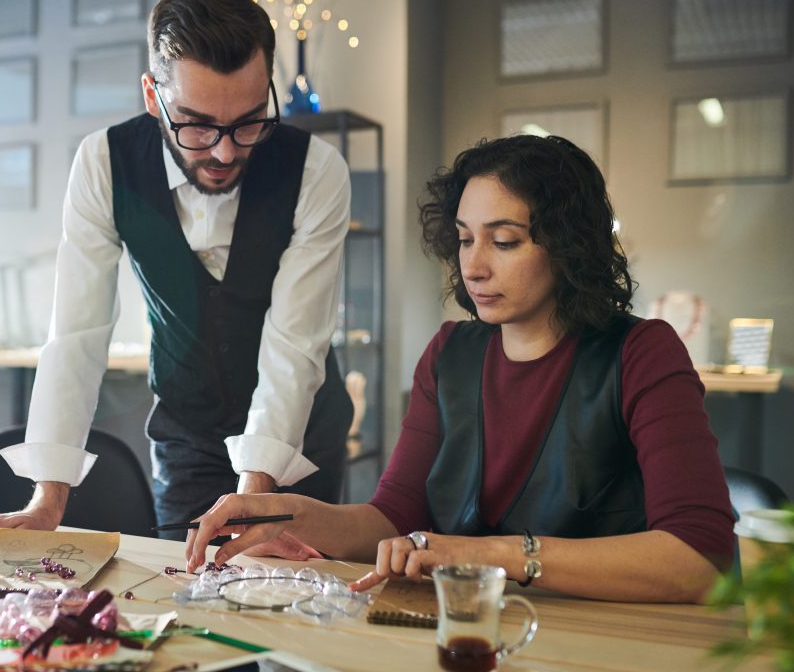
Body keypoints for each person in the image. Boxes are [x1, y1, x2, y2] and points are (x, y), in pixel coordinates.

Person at [185, 135, 736, 603]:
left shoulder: (642, 353)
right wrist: (285, 513)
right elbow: (393, 516)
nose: (473, 265)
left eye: (504, 241)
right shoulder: (451, 353)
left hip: (604, 645)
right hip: (470, 626)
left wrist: (494, 556)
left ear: (569, 246)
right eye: (465, 239)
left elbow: (701, 556)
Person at [0, 0, 352, 549]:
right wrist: (47, 497)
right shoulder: (103, 164)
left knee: (297, 600)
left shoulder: (317, 171)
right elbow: (75, 336)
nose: (225, 151)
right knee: (182, 594)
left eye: (249, 120)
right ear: (153, 96)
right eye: (199, 124)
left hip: (302, 438)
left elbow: (294, 348)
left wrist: (256, 494)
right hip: (186, 434)